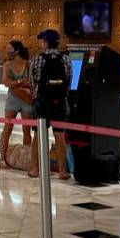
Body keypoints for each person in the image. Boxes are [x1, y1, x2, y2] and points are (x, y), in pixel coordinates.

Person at [28, 29, 71, 180]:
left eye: (41, 41)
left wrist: (36, 96)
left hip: (42, 102)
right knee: (60, 136)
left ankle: (34, 168)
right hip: (60, 103)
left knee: (38, 136)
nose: (40, 44)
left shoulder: (36, 59)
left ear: (46, 42)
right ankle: (62, 171)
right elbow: (69, 80)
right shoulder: (66, 59)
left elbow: (32, 83)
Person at [0, 40, 33, 167]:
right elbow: (5, 82)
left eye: (9, 48)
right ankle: (2, 158)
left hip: (26, 100)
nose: (6, 51)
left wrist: (16, 83)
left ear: (16, 51)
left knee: (26, 130)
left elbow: (31, 82)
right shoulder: (7, 65)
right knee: (7, 129)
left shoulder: (29, 64)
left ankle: (27, 159)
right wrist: (21, 82)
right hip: (13, 100)